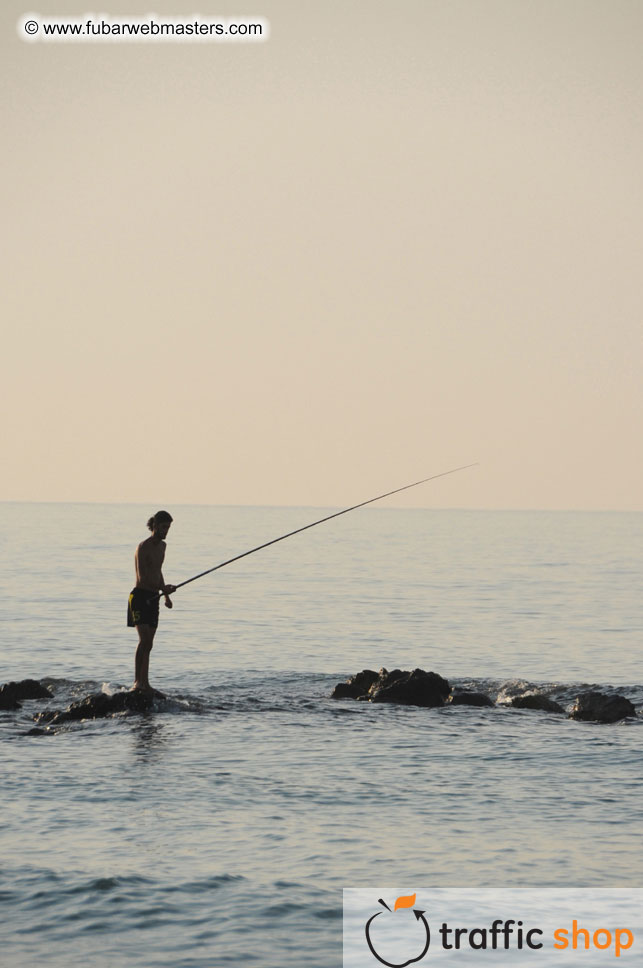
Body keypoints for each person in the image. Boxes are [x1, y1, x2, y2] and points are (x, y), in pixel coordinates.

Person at [127, 510, 176, 693]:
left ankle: (145, 683)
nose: (166, 531)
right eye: (164, 527)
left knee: (150, 643)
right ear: (154, 525)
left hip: (154, 598)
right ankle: (137, 682)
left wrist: (166, 596)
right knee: (143, 640)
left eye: (168, 528)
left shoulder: (162, 547)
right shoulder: (143, 547)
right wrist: (164, 589)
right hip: (140, 597)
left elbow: (158, 572)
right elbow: (142, 577)